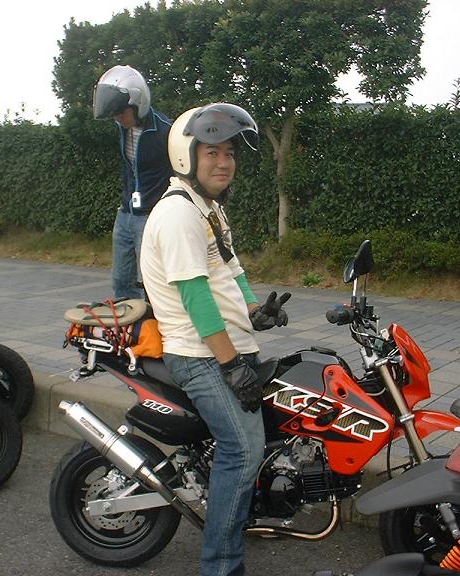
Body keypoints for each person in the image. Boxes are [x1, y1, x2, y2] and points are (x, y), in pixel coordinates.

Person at [140, 103, 290, 576]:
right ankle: (220, 567)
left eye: (229, 153)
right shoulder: (178, 215)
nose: (224, 162)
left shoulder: (207, 209)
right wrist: (230, 365)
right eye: (212, 153)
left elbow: (231, 269)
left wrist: (255, 311)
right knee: (243, 452)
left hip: (221, 347)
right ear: (187, 156)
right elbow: (195, 297)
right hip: (199, 354)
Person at [93, 65, 173, 300]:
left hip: (150, 216)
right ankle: (128, 321)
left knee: (152, 282)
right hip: (125, 213)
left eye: (121, 112)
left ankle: (156, 321)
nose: (117, 118)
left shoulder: (165, 132)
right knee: (121, 281)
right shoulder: (123, 128)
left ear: (138, 104)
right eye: (113, 114)